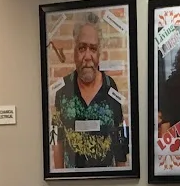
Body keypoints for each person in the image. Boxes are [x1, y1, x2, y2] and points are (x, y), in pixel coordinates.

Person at [52, 14, 128, 169]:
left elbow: (119, 139)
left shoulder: (110, 87)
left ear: (99, 53)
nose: (87, 56)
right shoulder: (63, 90)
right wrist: (59, 178)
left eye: (93, 49)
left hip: (105, 179)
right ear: (74, 52)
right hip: (73, 180)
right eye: (82, 48)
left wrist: (122, 178)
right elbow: (57, 140)